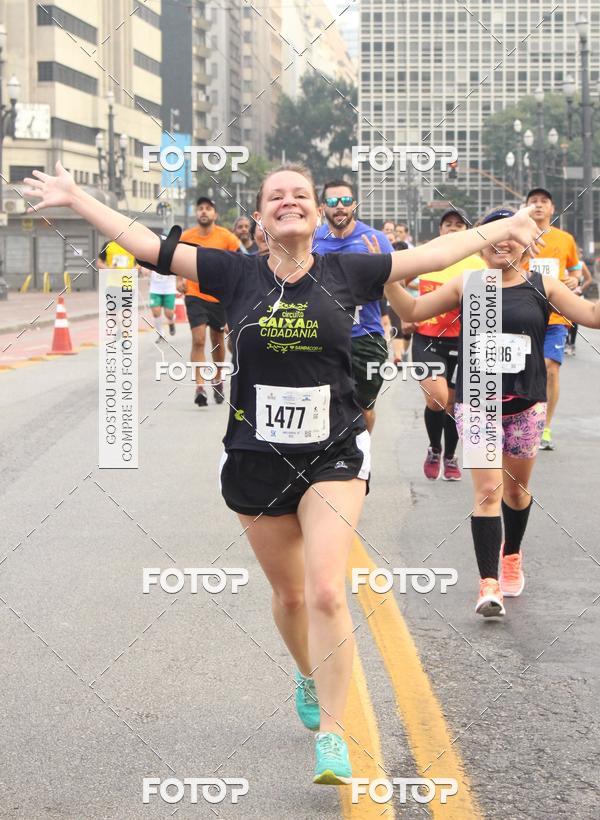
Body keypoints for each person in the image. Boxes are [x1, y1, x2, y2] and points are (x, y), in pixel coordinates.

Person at [23, 161, 541, 785]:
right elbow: (147, 245)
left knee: (325, 591)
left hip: (334, 453)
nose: (289, 201)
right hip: (255, 457)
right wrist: (77, 196)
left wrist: (504, 227)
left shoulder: (349, 270)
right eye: (276, 196)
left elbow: (435, 253)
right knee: (291, 596)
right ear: (260, 217)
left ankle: (333, 735)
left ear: (318, 215)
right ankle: (307, 671)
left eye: (301, 195)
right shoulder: (234, 273)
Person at [385, 207, 600, 618]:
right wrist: (390, 279)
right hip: (478, 402)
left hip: (525, 403)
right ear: (480, 243)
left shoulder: (542, 286)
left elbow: (591, 316)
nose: (502, 241)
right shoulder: (468, 284)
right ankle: (488, 584)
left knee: (515, 492)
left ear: (527, 242)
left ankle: (511, 554)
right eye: (493, 233)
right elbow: (412, 312)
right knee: (487, 492)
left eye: (511, 234)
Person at [410, 209, 486, 482]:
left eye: (459, 224)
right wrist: (405, 314)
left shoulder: (478, 263)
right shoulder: (426, 256)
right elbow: (397, 282)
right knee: (437, 397)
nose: (453, 228)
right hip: (427, 338)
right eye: (448, 224)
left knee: (454, 405)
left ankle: (450, 456)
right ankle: (434, 447)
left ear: (467, 230)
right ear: (440, 229)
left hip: (462, 341)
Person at [312, 180, 393, 433]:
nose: (340, 206)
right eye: (333, 201)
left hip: (365, 337)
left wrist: (379, 268)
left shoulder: (375, 239)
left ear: (354, 205)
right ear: (323, 207)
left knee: (363, 407)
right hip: (323, 335)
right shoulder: (311, 240)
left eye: (346, 201)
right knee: (323, 403)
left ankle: (362, 451)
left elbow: (397, 286)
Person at [522, 188, 580, 450]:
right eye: (533, 201)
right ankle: (524, 418)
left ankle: (545, 426)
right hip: (524, 314)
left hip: (556, 315)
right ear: (525, 207)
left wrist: (574, 280)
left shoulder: (565, 239)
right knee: (524, 369)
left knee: (550, 368)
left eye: (543, 201)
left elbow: (575, 271)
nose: (538, 205)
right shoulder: (518, 237)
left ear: (552, 208)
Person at [177, 197, 241, 407]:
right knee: (198, 340)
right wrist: (179, 280)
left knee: (217, 340)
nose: (204, 211)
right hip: (194, 294)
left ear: (215, 214)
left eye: (208, 209)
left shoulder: (227, 237)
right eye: (200, 208)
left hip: (219, 296)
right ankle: (200, 387)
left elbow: (239, 262)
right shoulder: (187, 237)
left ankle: (218, 379)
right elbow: (176, 258)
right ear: (196, 213)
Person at [565, 247, 594, 355]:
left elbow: (589, 279)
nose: (579, 254)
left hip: (576, 295)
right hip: (564, 295)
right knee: (564, 319)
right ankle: (566, 343)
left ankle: (572, 344)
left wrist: (580, 289)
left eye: (580, 253)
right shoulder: (564, 263)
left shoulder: (581, 264)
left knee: (574, 320)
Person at [148, 270, 177, 342]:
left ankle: (171, 321)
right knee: (155, 312)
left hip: (169, 288)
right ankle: (161, 334)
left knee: (169, 314)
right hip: (155, 288)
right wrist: (145, 270)